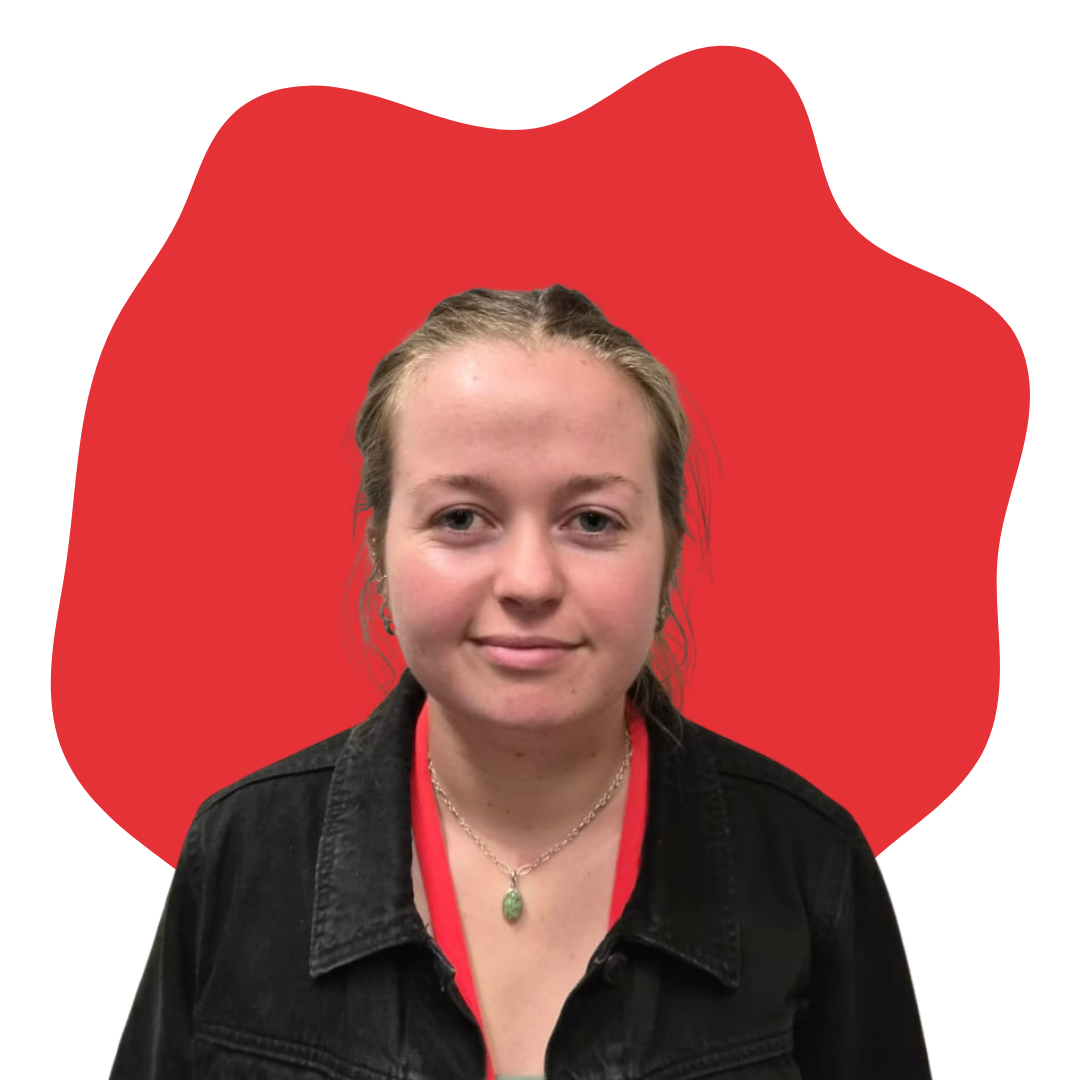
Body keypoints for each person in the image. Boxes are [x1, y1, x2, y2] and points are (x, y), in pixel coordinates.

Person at [109, 285, 932, 1079]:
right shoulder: (244, 852)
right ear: (378, 553)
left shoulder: (806, 863)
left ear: (670, 556)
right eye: (461, 518)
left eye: (593, 521)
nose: (530, 581)